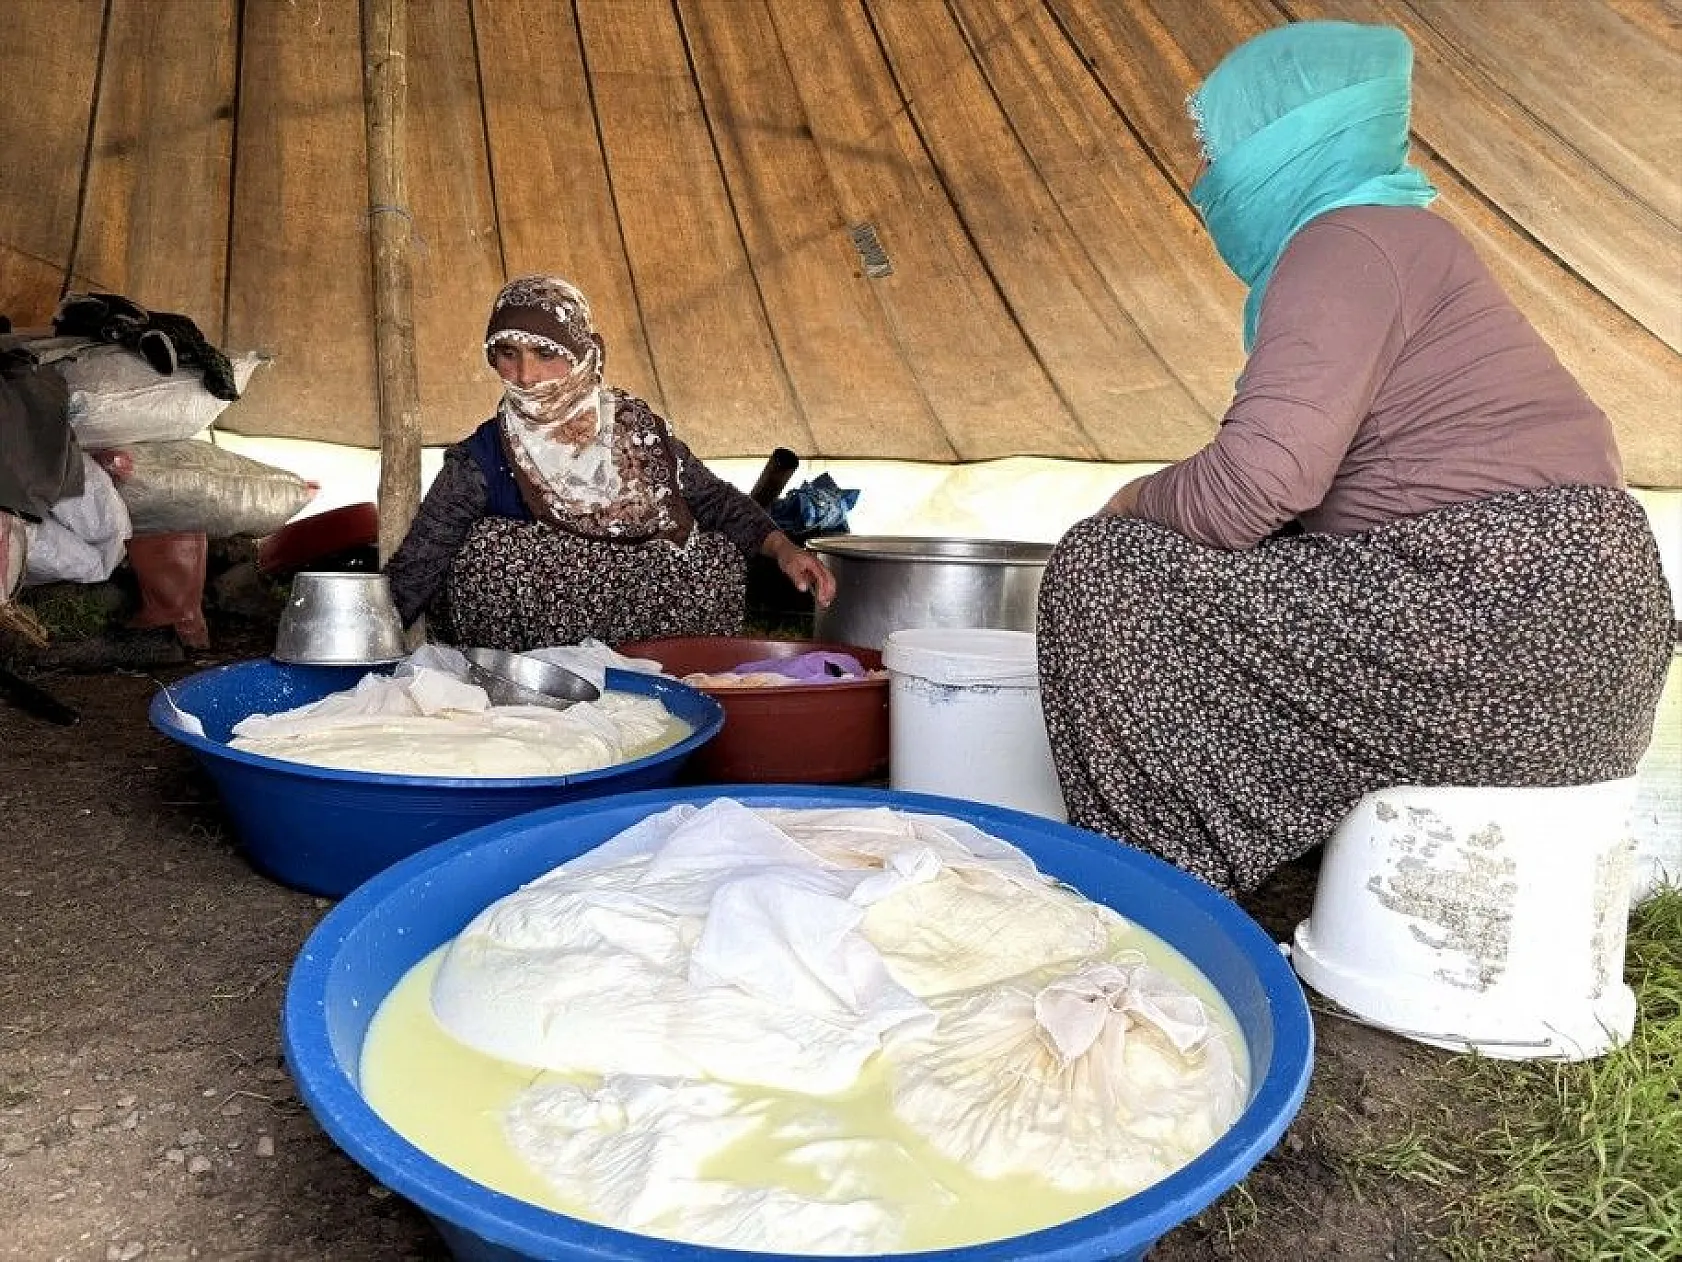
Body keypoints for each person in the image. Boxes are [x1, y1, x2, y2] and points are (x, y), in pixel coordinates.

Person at [1035, 20, 1675, 896]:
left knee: (1108, 567)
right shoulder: (1398, 243)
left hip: (1497, 626)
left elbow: (1251, 487)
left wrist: (1130, 501)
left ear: (1289, 140)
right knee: (1246, 572)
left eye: (1219, 147)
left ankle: (1159, 891)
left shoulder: (1347, 242)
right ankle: (1270, 857)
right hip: (1575, 665)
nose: (1205, 177)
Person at [385, 275, 835, 651]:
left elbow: (714, 499)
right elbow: (422, 559)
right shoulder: (483, 458)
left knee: (716, 555)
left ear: (581, 353)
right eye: (508, 354)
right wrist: (368, 639)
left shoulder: (637, 431)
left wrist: (784, 550)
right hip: (539, 659)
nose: (525, 375)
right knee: (487, 550)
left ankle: (667, 668)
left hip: (649, 638)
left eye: (545, 353)